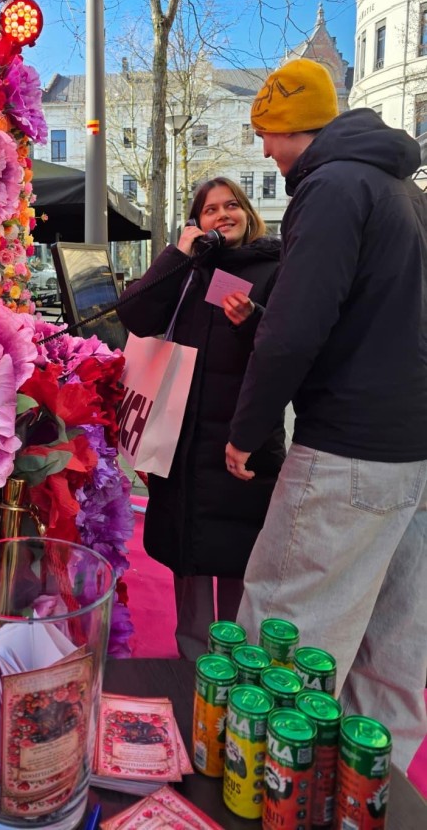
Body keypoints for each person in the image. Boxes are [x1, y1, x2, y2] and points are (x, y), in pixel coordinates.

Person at [224, 57, 427, 771]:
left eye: (267, 135)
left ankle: (266, 792)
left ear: (287, 124)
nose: (265, 152)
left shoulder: (331, 186)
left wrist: (247, 431)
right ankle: (370, 801)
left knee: (285, 627)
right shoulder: (402, 190)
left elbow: (298, 328)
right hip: (414, 452)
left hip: (350, 451)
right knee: (395, 650)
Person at [118, 177, 285, 661]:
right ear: (198, 221)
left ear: (248, 212)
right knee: (188, 556)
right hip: (182, 443)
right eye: (210, 210)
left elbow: (293, 346)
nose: (222, 215)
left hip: (242, 442)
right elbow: (135, 315)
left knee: (238, 557)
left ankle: (235, 659)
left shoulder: (275, 266)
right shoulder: (189, 271)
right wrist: (177, 254)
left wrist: (254, 319)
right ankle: (191, 660)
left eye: (231, 205)